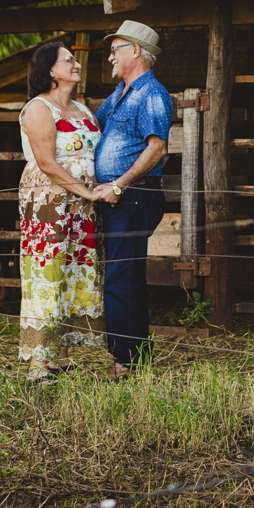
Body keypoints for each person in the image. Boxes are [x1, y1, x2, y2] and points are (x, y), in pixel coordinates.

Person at [18, 42, 105, 383]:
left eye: (75, 59)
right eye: (68, 60)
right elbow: (46, 162)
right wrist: (87, 191)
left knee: (72, 275)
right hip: (49, 205)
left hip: (82, 209)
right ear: (50, 70)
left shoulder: (83, 110)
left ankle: (62, 355)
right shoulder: (38, 108)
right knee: (47, 274)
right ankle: (39, 362)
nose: (76, 64)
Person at [93, 20, 173, 380]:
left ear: (136, 51)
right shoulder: (119, 94)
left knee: (121, 278)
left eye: (116, 49)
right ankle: (134, 358)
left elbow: (157, 148)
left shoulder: (151, 93)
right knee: (123, 276)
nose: (111, 56)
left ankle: (127, 363)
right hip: (119, 197)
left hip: (133, 195)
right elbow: (92, 128)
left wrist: (119, 185)